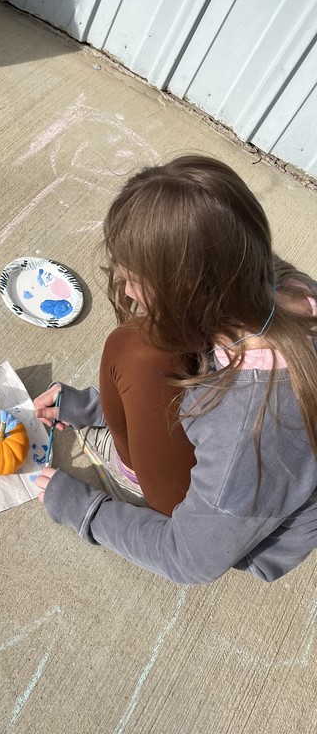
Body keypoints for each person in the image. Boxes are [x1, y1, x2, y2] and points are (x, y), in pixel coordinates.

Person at [34, 155, 317, 584]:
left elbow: (187, 558)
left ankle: (133, 471)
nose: (128, 291)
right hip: (254, 473)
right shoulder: (281, 285)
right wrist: (93, 407)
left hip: (233, 513)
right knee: (137, 343)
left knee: (134, 346)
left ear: (188, 290)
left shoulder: (248, 432)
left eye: (135, 280)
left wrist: (83, 509)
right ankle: (128, 436)